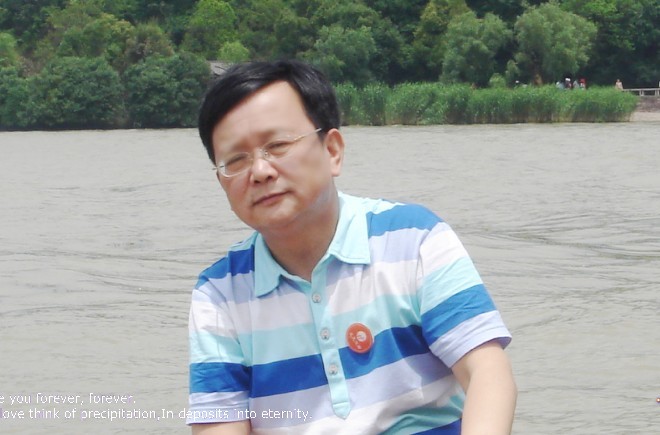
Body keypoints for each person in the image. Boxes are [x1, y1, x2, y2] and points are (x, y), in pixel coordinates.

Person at [187, 60, 517, 434]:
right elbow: (219, 426)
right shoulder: (220, 294)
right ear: (221, 182)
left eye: (277, 145)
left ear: (332, 151)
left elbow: (487, 372)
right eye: (235, 160)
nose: (260, 171)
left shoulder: (413, 238)